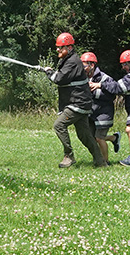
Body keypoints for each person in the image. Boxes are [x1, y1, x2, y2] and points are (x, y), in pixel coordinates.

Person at [42, 33, 106, 168]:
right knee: (85, 136)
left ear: (70, 47)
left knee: (59, 125)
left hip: (77, 103)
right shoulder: (69, 60)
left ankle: (69, 156)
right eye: (57, 47)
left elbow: (59, 79)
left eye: (61, 47)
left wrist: (49, 72)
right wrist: (50, 71)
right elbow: (63, 77)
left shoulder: (72, 61)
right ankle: (100, 162)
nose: (58, 50)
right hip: (80, 102)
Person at [81, 52, 120, 162]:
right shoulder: (82, 77)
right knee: (92, 137)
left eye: (83, 66)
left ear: (92, 65)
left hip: (104, 113)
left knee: (99, 138)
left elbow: (112, 95)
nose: (81, 69)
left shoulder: (105, 78)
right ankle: (113, 138)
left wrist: (93, 92)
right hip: (92, 113)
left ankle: (104, 162)